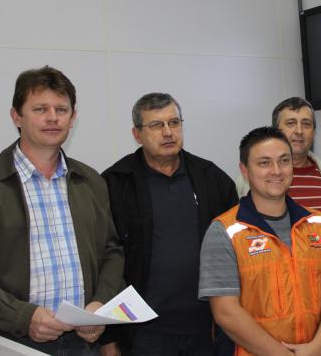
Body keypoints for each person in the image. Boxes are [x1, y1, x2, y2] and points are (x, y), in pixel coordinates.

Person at [0, 66, 124, 355]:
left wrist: (101, 305)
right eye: (40, 108)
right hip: (8, 342)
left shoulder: (91, 181)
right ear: (16, 116)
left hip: (82, 342)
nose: (52, 117)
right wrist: (22, 317)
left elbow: (111, 251)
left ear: (73, 118)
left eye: (61, 109)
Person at [100, 93, 238, 355]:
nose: (168, 132)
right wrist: (108, 337)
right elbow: (103, 260)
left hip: (207, 326)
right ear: (137, 134)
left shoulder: (211, 178)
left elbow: (236, 251)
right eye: (156, 125)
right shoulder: (116, 183)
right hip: (143, 330)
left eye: (174, 123)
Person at [199, 126, 321, 355]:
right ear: (245, 170)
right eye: (264, 163)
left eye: (284, 161)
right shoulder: (224, 231)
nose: (276, 171)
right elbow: (225, 312)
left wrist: (318, 346)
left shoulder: (317, 223)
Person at [235, 97, 321, 354]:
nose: (299, 131)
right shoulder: (247, 185)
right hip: (269, 325)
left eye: (306, 124)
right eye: (290, 123)